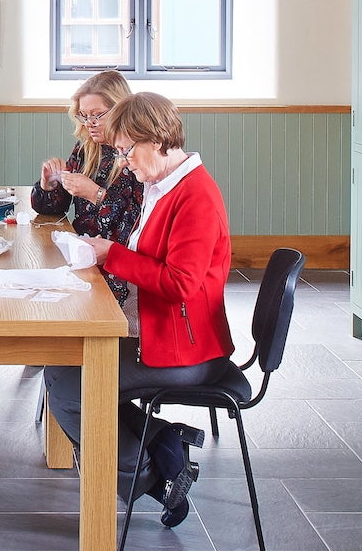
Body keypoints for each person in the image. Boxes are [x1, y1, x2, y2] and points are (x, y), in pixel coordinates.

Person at [42, 91, 236, 526]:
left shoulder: (194, 196)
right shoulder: (162, 185)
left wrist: (112, 254)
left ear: (158, 139)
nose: (124, 162)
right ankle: (165, 447)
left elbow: (181, 284)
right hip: (159, 332)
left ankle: (152, 476)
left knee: (68, 382)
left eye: (128, 151)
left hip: (187, 351)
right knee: (65, 367)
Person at [31, 71, 143, 296]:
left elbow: (136, 225)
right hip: (82, 252)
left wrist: (96, 194)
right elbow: (55, 209)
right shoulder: (86, 149)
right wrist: (49, 184)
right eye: (83, 116)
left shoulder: (137, 153)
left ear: (120, 109)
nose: (89, 123)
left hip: (117, 262)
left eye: (97, 115)